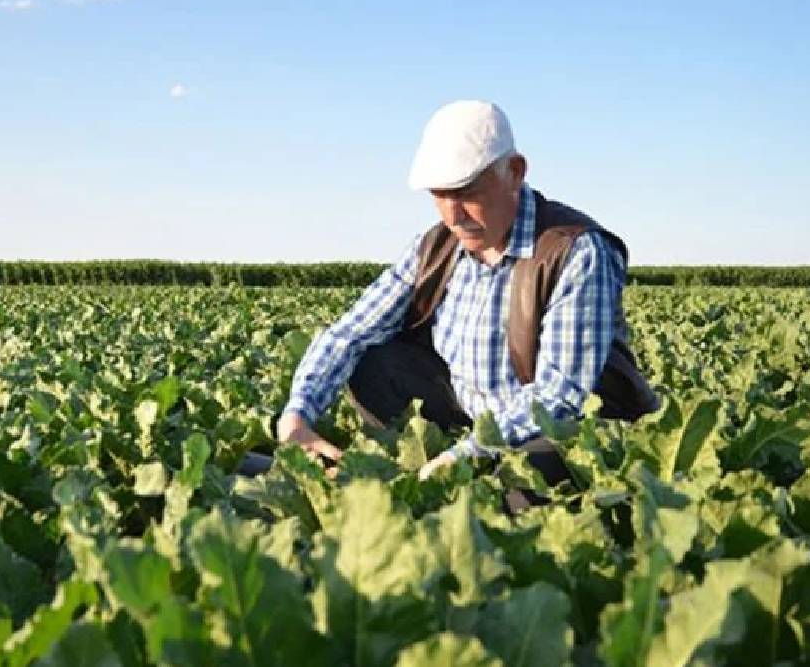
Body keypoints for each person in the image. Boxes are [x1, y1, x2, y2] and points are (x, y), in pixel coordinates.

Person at [266, 100, 659, 500]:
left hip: (562, 428)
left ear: (515, 172)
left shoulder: (574, 249)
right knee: (374, 362)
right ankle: (407, 471)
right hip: (468, 409)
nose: (453, 215)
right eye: (440, 195)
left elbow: (560, 395)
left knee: (524, 483)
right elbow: (349, 332)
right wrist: (297, 415)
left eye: (468, 192)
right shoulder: (436, 245)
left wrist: (465, 455)